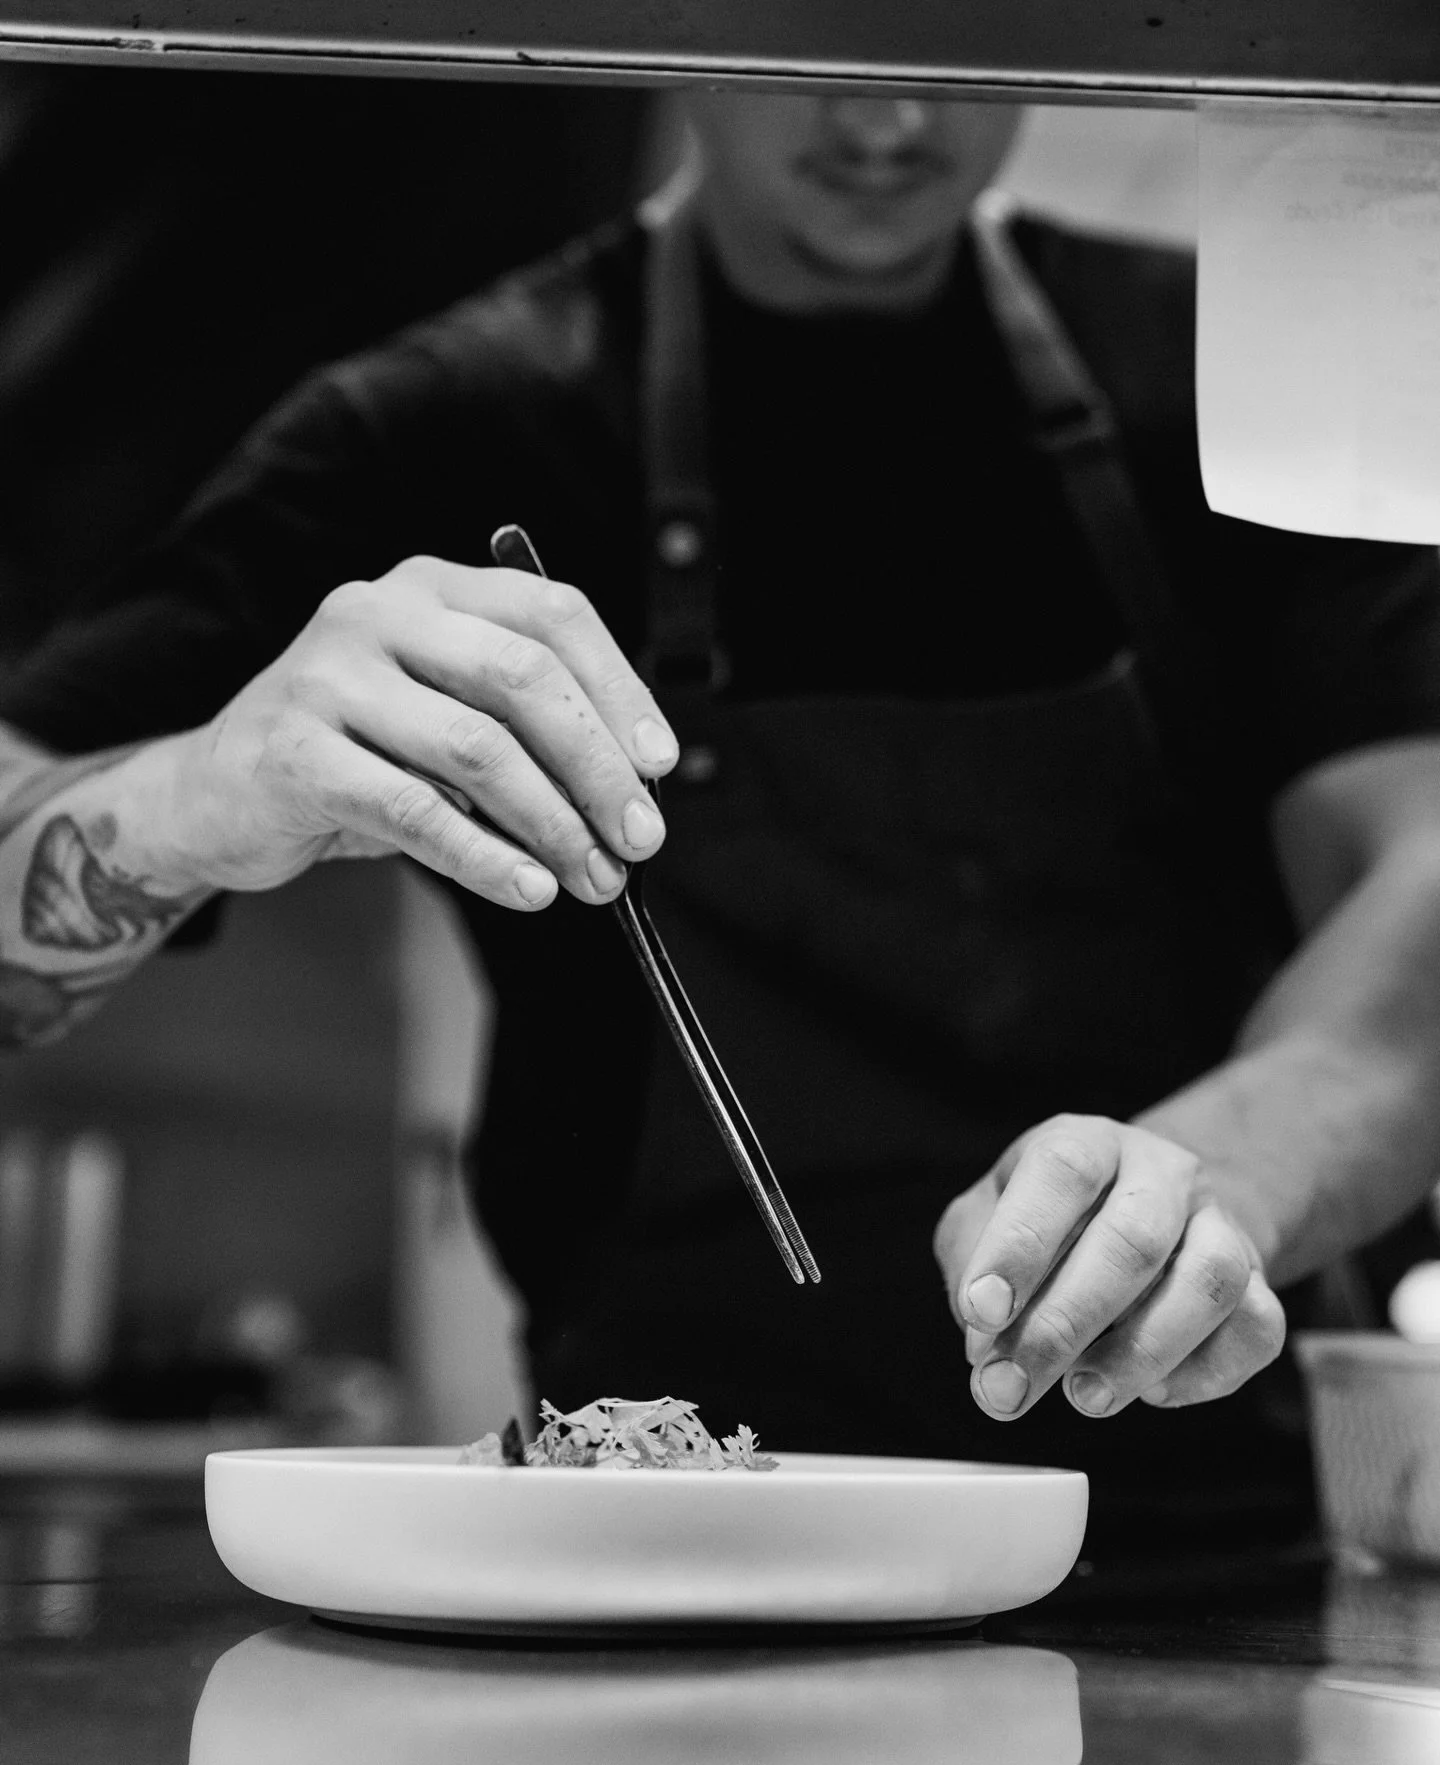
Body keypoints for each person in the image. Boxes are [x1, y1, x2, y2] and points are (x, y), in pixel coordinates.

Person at [4, 92, 1440, 1553]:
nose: (893, 113)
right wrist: (195, 797)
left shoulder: (1243, 395)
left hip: (1202, 1563)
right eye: (814, 25)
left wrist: (1218, 1186)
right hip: (639, 1555)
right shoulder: (450, 422)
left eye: (962, 23)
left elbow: (1414, 944)